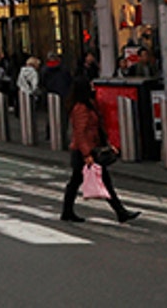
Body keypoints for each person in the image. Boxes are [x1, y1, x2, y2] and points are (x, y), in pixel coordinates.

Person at [61, 78, 138, 224]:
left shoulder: (88, 104)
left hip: (89, 149)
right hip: (84, 151)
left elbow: (97, 128)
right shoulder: (81, 108)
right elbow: (80, 132)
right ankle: (120, 212)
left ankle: (67, 211)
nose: (93, 88)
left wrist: (106, 145)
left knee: (78, 181)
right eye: (90, 86)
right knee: (97, 181)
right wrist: (87, 154)